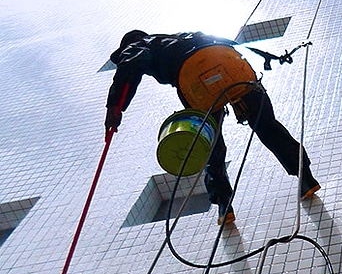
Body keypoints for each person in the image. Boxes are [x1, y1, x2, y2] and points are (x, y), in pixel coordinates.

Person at [105, 30, 320, 226]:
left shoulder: (141, 44)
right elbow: (223, 40)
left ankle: (224, 205)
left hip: (195, 80)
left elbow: (131, 65)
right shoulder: (183, 36)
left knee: (211, 145)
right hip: (230, 63)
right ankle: (306, 177)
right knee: (267, 126)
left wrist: (115, 106)